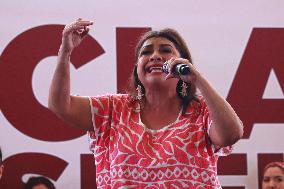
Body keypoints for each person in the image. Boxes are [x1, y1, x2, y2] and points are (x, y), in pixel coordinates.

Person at [48, 18, 244, 188]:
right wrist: (65, 51)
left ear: (184, 62)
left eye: (166, 50)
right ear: (137, 69)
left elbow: (231, 134)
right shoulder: (113, 109)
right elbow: (60, 105)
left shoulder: (201, 111)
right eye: (146, 52)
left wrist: (197, 78)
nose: (155, 55)